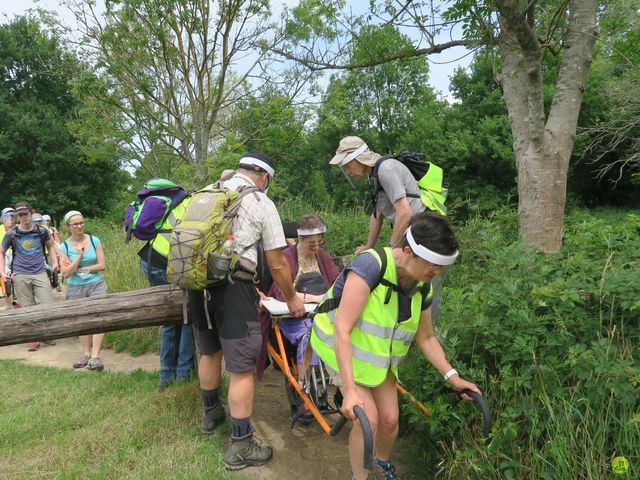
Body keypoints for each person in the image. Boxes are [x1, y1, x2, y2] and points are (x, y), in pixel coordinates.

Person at [310, 212, 481, 480]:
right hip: (337, 344)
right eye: (431, 265)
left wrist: (453, 377)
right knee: (370, 419)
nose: (436, 273)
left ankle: (382, 464)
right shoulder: (370, 266)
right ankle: (359, 477)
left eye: (441, 268)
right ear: (406, 251)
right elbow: (342, 329)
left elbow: (425, 337)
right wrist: (351, 390)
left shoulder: (422, 285)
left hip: (376, 357)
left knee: (390, 420)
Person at [188, 151, 304, 471]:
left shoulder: (207, 192)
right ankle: (241, 446)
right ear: (264, 177)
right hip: (233, 287)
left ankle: (211, 415)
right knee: (241, 367)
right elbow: (279, 263)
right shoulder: (260, 202)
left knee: (209, 351)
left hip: (197, 282)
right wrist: (292, 297)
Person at [259, 214, 340, 385]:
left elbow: (337, 283)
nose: (317, 247)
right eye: (312, 244)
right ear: (301, 239)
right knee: (309, 336)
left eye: (320, 242)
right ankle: (305, 387)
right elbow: (280, 293)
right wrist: (314, 298)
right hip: (294, 317)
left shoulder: (323, 257)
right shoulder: (286, 258)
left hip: (322, 314)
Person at [329, 136, 444, 253]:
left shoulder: (386, 170)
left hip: (424, 230)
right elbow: (377, 214)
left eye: (348, 166)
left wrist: (391, 249)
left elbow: (405, 212)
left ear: (360, 158)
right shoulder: (374, 174)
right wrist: (368, 246)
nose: (347, 172)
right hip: (412, 230)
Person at [138, 189, 195, 391]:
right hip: (168, 265)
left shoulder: (180, 201)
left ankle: (167, 376)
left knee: (171, 320)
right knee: (187, 318)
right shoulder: (195, 205)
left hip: (151, 260)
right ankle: (182, 376)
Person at [0, 202, 60, 350]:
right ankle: (33, 338)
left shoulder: (42, 231)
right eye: (20, 215)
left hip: (40, 272)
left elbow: (50, 246)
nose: (24, 217)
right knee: (27, 308)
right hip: (20, 273)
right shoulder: (11, 234)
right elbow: (1, 252)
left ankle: (46, 335)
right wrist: (2, 271)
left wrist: (54, 262)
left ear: (31, 213)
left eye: (26, 213)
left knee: (47, 305)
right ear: (17, 216)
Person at [59, 211, 107, 370]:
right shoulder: (64, 246)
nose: (80, 226)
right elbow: (65, 273)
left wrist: (86, 268)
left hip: (96, 283)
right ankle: (85, 354)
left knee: (100, 316)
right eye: (75, 224)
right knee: (81, 319)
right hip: (75, 287)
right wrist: (79, 256)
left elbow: (102, 265)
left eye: (82, 223)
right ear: (68, 227)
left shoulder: (94, 240)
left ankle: (95, 356)